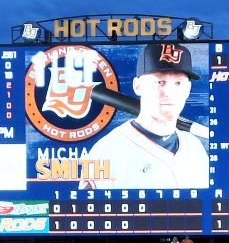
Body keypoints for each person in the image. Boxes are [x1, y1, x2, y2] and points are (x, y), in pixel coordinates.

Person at [79, 42, 209, 190]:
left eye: (178, 83)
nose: (169, 92)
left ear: (188, 89)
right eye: (160, 82)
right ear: (137, 86)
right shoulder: (106, 152)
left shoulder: (195, 147)